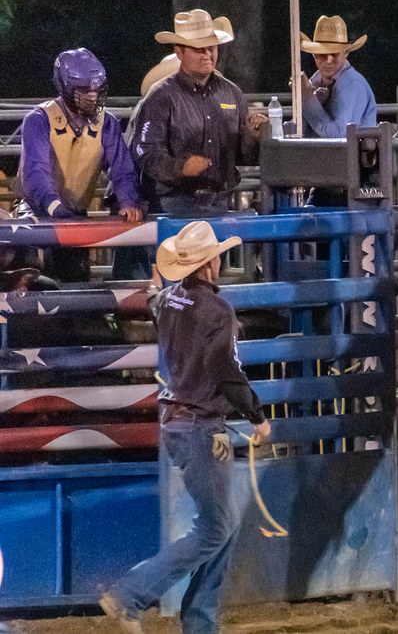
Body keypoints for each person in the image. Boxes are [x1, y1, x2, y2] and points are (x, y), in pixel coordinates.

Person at [100, 221, 271, 634]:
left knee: (221, 526)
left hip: (177, 423)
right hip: (201, 426)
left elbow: (157, 301)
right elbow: (225, 369)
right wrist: (257, 416)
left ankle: (199, 622)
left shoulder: (168, 302)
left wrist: (160, 286)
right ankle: (132, 595)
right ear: (212, 261)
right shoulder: (217, 311)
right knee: (215, 529)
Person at [14, 48, 145, 282]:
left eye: (97, 90)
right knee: (32, 270)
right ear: (65, 87)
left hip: (74, 214)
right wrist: (55, 207)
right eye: (84, 90)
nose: (93, 97)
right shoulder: (39, 119)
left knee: (76, 283)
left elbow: (122, 168)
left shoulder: (107, 124)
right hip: (36, 210)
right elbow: (36, 173)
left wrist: (128, 200)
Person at [129, 9, 267, 217]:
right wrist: (180, 168)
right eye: (199, 49)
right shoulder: (160, 98)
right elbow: (145, 153)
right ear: (179, 52)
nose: (207, 55)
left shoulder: (232, 94)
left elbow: (241, 156)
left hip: (219, 201)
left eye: (211, 48)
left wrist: (252, 136)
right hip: (175, 203)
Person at [298, 15, 376, 137]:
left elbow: (339, 135)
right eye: (322, 54)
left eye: (334, 54)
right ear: (314, 55)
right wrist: (313, 100)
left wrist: (307, 98)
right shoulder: (316, 81)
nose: (328, 60)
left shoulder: (353, 84)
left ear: (346, 53)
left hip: (350, 155)